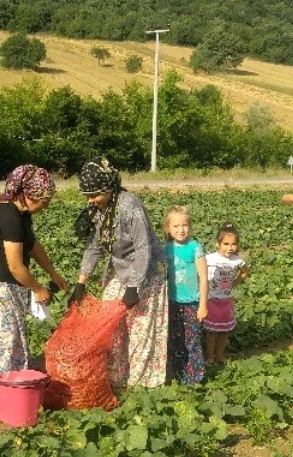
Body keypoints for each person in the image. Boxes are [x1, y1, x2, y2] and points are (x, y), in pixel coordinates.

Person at [0, 164, 69, 404]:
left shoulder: (21, 215)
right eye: (43, 202)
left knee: (13, 342)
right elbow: (15, 266)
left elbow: (32, 246)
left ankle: (15, 396)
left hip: (8, 288)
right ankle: (1, 402)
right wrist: (38, 288)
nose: (45, 207)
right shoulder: (9, 217)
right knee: (2, 345)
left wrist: (53, 273)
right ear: (28, 195)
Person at [69, 157, 168, 390]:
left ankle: (141, 385)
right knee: (112, 327)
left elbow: (143, 248)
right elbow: (94, 246)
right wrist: (80, 283)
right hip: (120, 270)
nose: (90, 200)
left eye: (95, 195)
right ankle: (116, 378)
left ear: (109, 188)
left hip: (148, 273)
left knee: (140, 329)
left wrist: (134, 288)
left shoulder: (129, 206)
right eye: (87, 195)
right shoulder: (99, 210)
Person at [163, 206, 208, 385]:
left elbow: (204, 277)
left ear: (190, 226)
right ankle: (178, 374)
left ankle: (194, 377)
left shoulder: (195, 247)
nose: (181, 230)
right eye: (176, 226)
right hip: (172, 302)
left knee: (193, 339)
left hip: (191, 302)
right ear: (168, 228)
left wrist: (203, 305)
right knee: (175, 339)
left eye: (185, 225)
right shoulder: (165, 248)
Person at [203, 223, 248, 365]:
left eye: (233, 244)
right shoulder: (209, 258)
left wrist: (234, 284)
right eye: (226, 244)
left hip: (226, 300)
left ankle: (220, 355)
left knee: (223, 331)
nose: (230, 248)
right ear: (218, 244)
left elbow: (245, 272)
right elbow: (200, 272)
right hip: (212, 300)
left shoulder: (237, 261)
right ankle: (210, 357)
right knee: (211, 332)